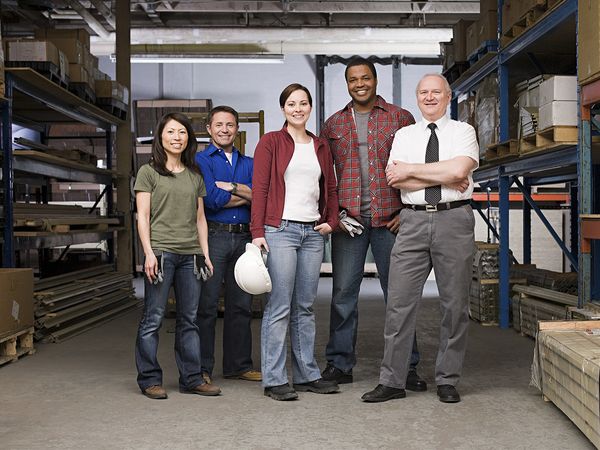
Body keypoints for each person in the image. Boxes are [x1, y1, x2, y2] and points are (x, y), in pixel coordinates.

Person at [362, 73, 478, 404]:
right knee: (399, 304)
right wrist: (440, 172)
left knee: (454, 304)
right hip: (410, 222)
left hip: (454, 219)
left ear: (448, 95)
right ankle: (392, 380)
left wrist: (415, 170)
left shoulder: (463, 132)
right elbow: (395, 180)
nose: (429, 97)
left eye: (436, 92)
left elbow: (459, 173)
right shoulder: (404, 134)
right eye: (423, 92)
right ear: (417, 97)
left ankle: (447, 379)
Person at [320, 57, 425, 391]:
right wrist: (334, 216)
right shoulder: (333, 124)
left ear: (375, 80)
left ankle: (405, 366)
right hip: (350, 223)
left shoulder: (400, 117)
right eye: (353, 79)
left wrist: (407, 212)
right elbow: (324, 176)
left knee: (399, 296)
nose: (359, 84)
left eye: (365, 77)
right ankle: (339, 364)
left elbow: (418, 167)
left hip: (391, 220)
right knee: (342, 295)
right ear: (347, 84)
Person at [251, 83, 340, 401]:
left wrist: (333, 219)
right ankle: (274, 379)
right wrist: (257, 231)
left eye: (303, 103)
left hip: (313, 233)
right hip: (280, 231)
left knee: (305, 307)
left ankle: (306, 375)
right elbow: (260, 188)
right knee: (279, 306)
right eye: (292, 103)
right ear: (283, 108)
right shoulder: (271, 142)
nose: (298, 108)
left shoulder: (320, 145)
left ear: (310, 107)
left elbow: (329, 185)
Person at [134, 112, 221, 399]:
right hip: (160, 254)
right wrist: (148, 253)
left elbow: (200, 219)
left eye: (182, 132)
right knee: (153, 318)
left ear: (189, 138)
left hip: (190, 256)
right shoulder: (149, 172)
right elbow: (142, 216)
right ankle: (149, 380)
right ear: (160, 137)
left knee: (189, 320)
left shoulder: (195, 175)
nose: (177, 137)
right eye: (171, 132)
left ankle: (192, 379)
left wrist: (205, 254)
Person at [195, 106, 261, 384]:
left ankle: (238, 365)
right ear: (209, 129)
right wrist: (247, 192)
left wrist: (232, 188)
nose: (225, 129)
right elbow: (210, 200)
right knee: (207, 305)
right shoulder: (201, 160)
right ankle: (202, 368)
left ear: (237, 129)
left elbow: (262, 196)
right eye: (219, 125)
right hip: (215, 237)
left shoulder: (250, 163)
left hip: (244, 238)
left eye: (230, 125)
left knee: (241, 305)